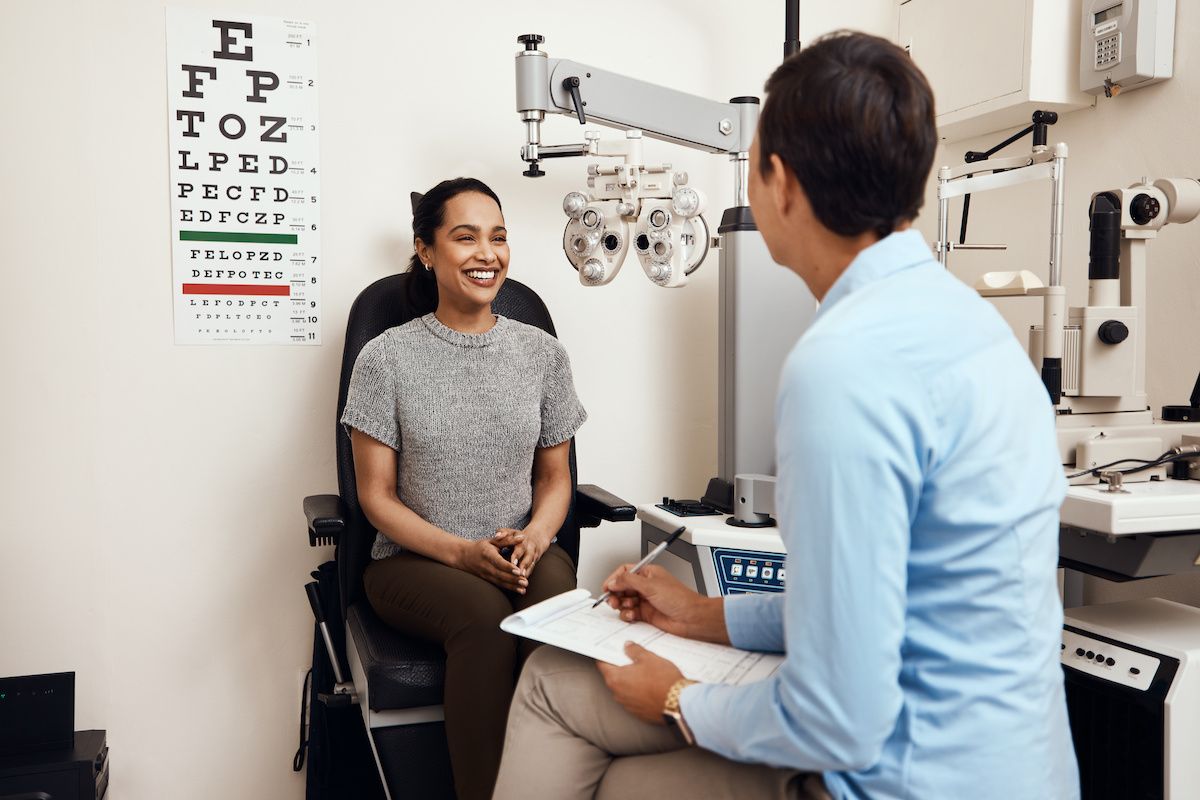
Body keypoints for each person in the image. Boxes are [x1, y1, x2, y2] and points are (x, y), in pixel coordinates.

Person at [492, 31, 1079, 800]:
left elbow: (840, 717)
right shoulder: (974, 329)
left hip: (907, 774)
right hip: (1021, 765)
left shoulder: (842, 365)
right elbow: (874, 603)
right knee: (597, 736)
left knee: (562, 707)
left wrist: (678, 699)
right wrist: (705, 615)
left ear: (783, 184)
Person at [340, 177, 586, 800]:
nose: (488, 253)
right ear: (426, 250)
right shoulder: (385, 357)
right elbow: (376, 497)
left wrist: (535, 536)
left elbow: (555, 479)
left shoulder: (542, 353)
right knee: (481, 618)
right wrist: (460, 553)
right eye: (465, 237)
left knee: (559, 616)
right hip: (412, 562)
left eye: (499, 237)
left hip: (519, 549)